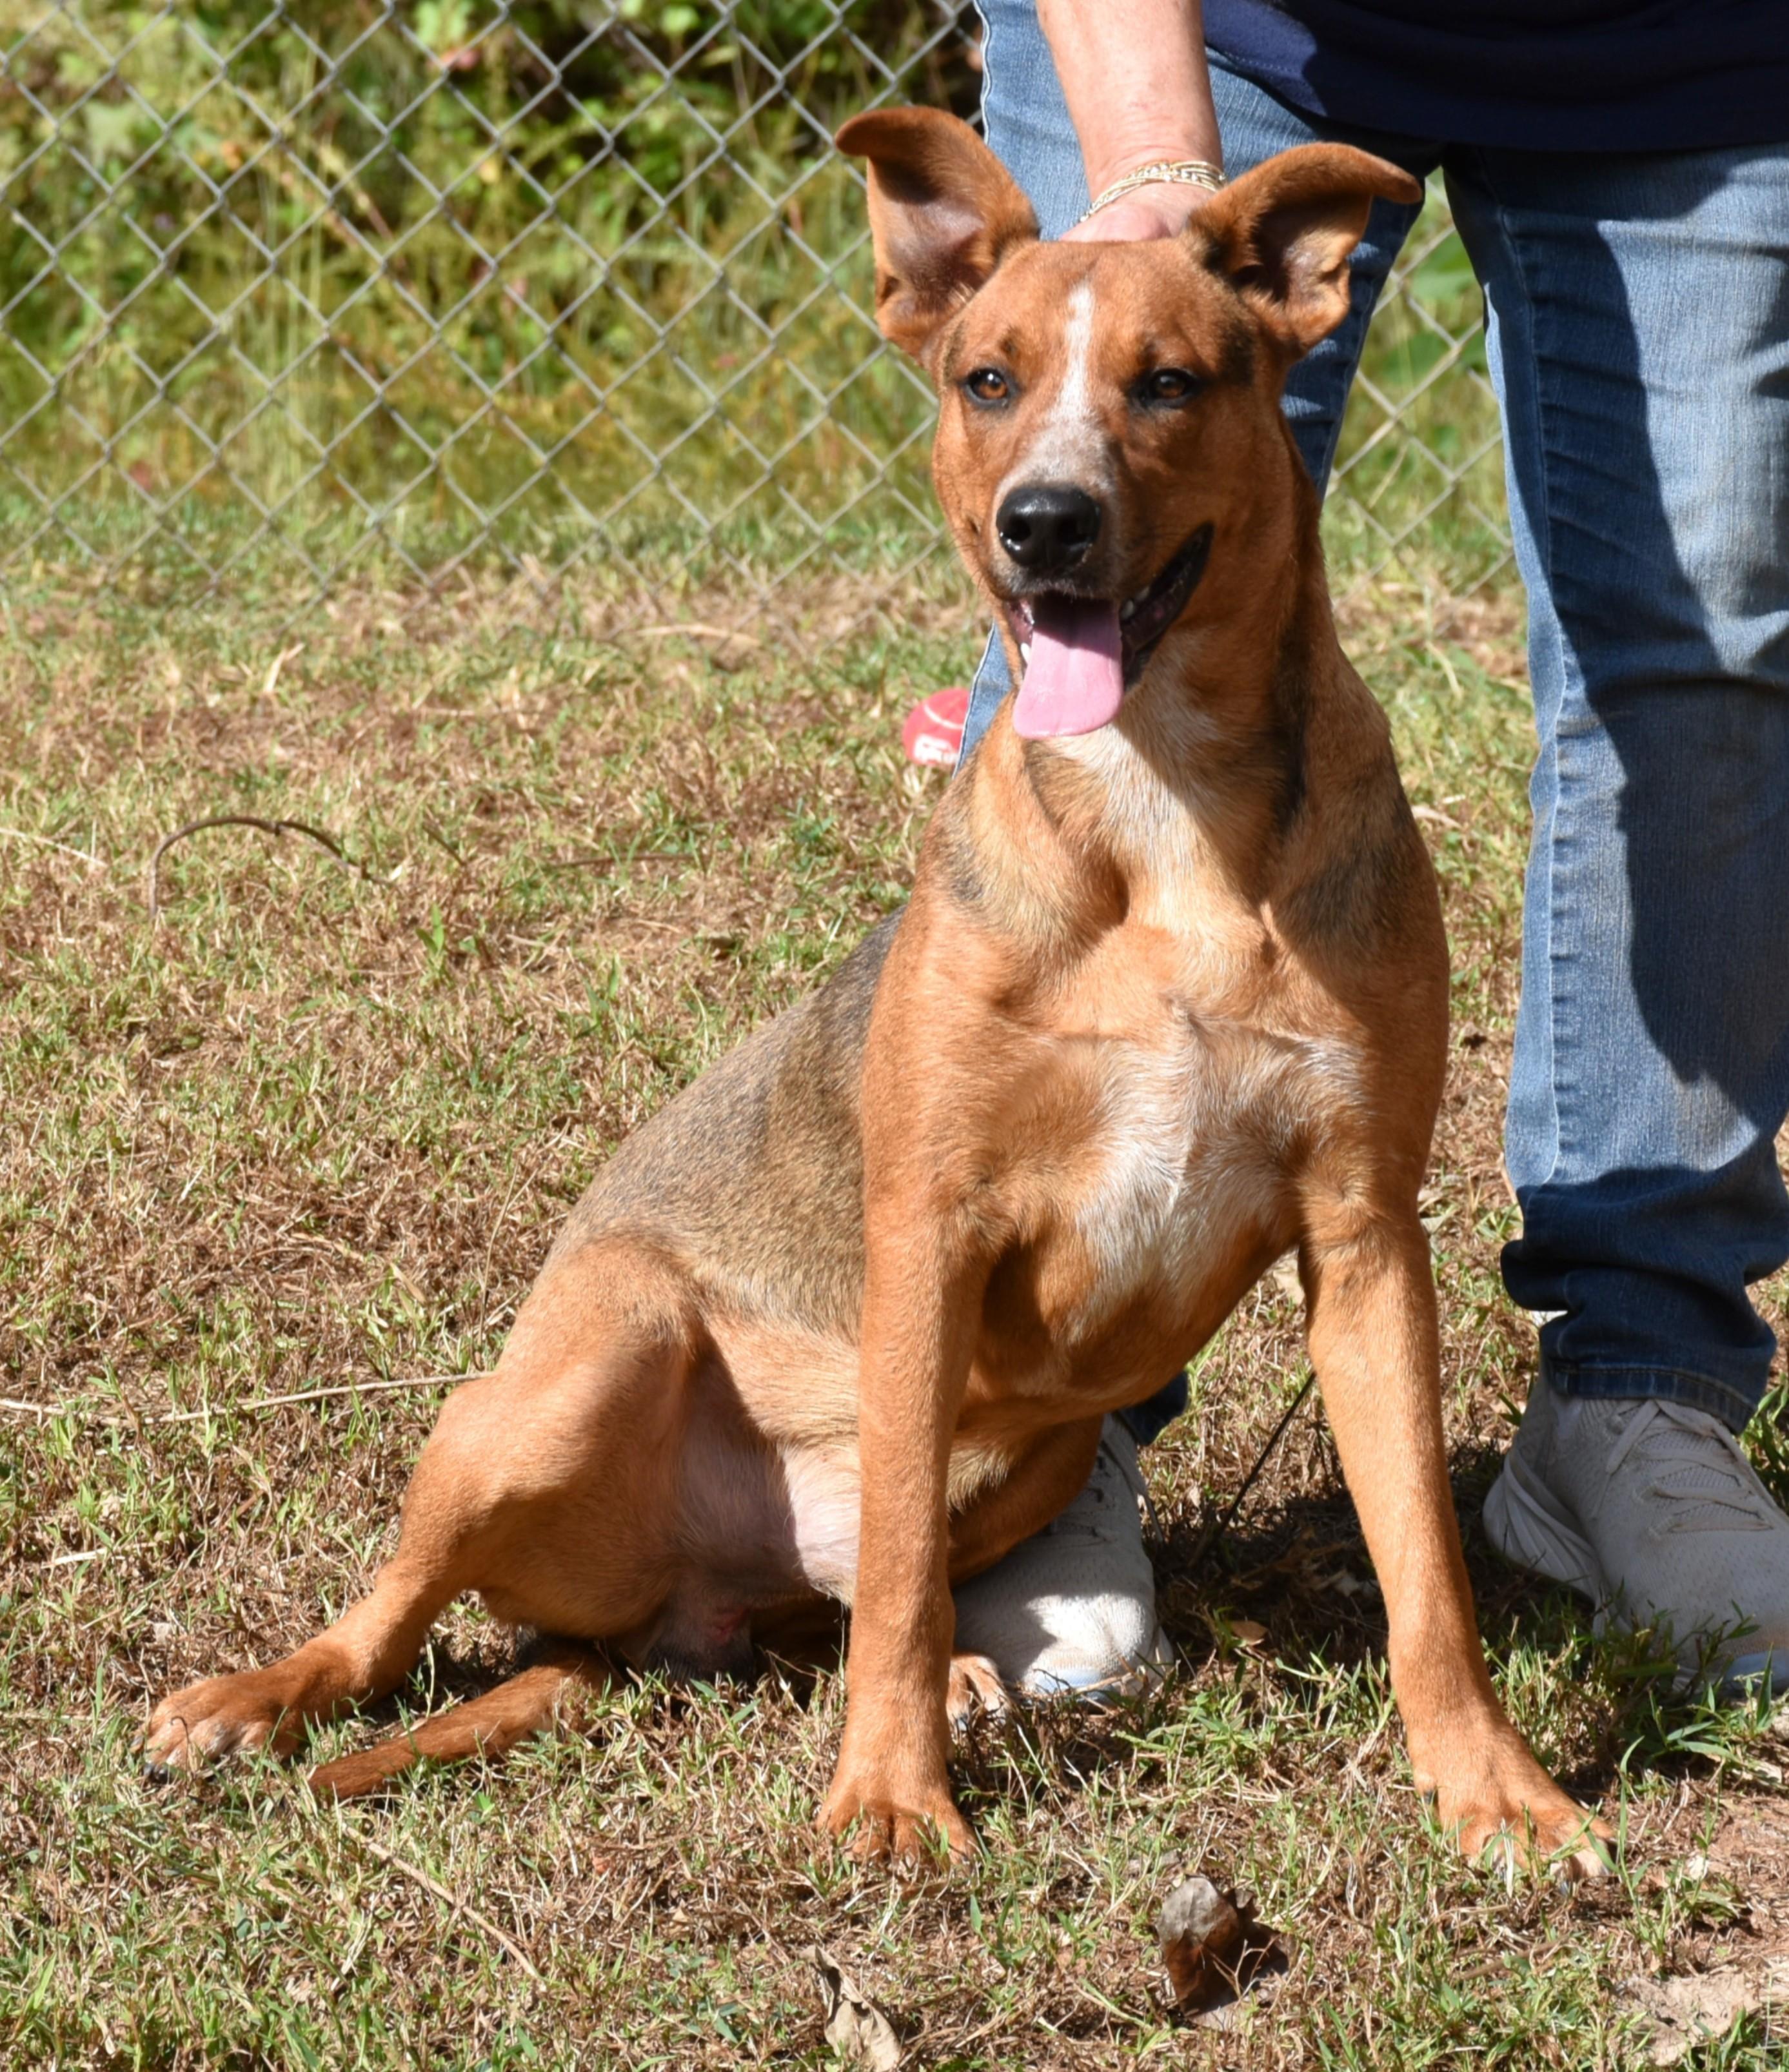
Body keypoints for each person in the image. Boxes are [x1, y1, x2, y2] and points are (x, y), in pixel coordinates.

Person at [944, 0, 1789, 1699]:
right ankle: (1052, 1427)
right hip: (1242, 28)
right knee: (1086, 567)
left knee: (1707, 642)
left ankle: (1637, 1398)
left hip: (1694, 50)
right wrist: (1165, 180)